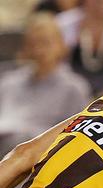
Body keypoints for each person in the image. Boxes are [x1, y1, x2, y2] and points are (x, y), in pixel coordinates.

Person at [0, 12, 91, 156]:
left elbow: (76, 137)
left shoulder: (73, 88)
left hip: (38, 158)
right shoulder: (9, 82)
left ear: (61, 45)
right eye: (33, 44)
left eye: (45, 43)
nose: (39, 50)